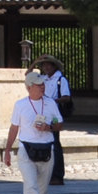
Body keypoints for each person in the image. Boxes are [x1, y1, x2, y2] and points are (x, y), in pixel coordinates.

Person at [4, 69, 62, 194]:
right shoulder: (20, 104)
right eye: (38, 85)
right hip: (26, 148)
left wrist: (49, 127)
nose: (42, 87)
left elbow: (59, 124)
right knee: (30, 186)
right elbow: (14, 128)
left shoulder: (50, 103)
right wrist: (8, 150)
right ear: (29, 87)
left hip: (47, 148)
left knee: (42, 190)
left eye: (43, 84)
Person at [36, 55, 73, 186]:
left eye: (48, 65)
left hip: (55, 112)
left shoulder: (60, 79)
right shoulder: (43, 79)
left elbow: (66, 97)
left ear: (54, 66)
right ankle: (47, 174)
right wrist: (35, 62)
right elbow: (27, 76)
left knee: (55, 142)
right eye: (44, 65)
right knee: (44, 140)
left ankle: (57, 175)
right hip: (44, 113)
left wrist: (52, 101)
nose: (46, 67)